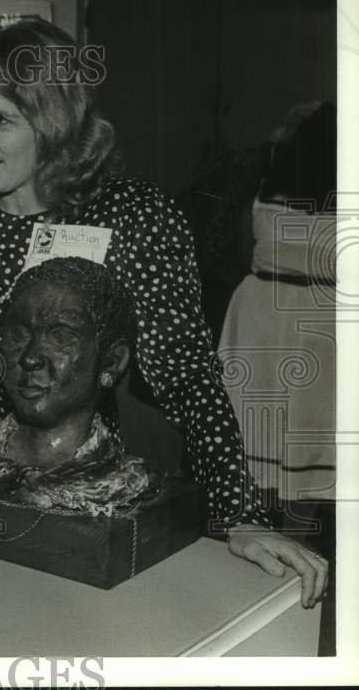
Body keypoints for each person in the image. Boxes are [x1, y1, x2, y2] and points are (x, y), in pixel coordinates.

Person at [0, 18, 328, 606]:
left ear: (54, 122)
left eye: (0, 119)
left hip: (84, 501)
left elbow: (189, 380)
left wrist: (238, 514)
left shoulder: (132, 217)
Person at [217, 102, 337, 637]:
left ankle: (276, 548)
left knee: (266, 441)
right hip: (319, 320)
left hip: (261, 311)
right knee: (310, 447)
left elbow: (245, 252)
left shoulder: (268, 191)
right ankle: (307, 553)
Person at [0, 257, 159, 518]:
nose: (30, 357)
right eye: (19, 333)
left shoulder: (115, 487)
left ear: (112, 363)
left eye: (61, 336)